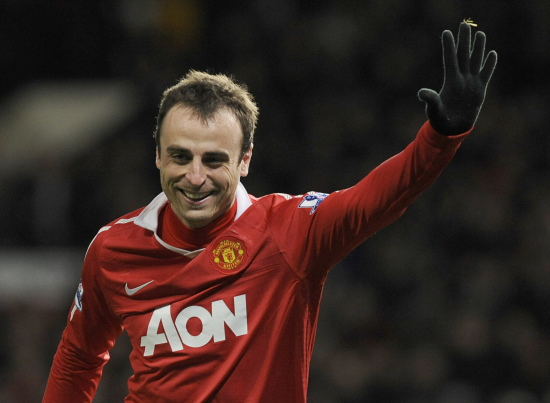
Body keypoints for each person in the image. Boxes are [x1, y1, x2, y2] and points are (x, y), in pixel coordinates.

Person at [43, 22, 497, 402]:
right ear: (158, 155)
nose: (195, 177)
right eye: (180, 156)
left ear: (245, 160)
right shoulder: (113, 249)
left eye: (214, 160)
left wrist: (440, 136)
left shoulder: (288, 230)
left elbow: (374, 200)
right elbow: (79, 357)